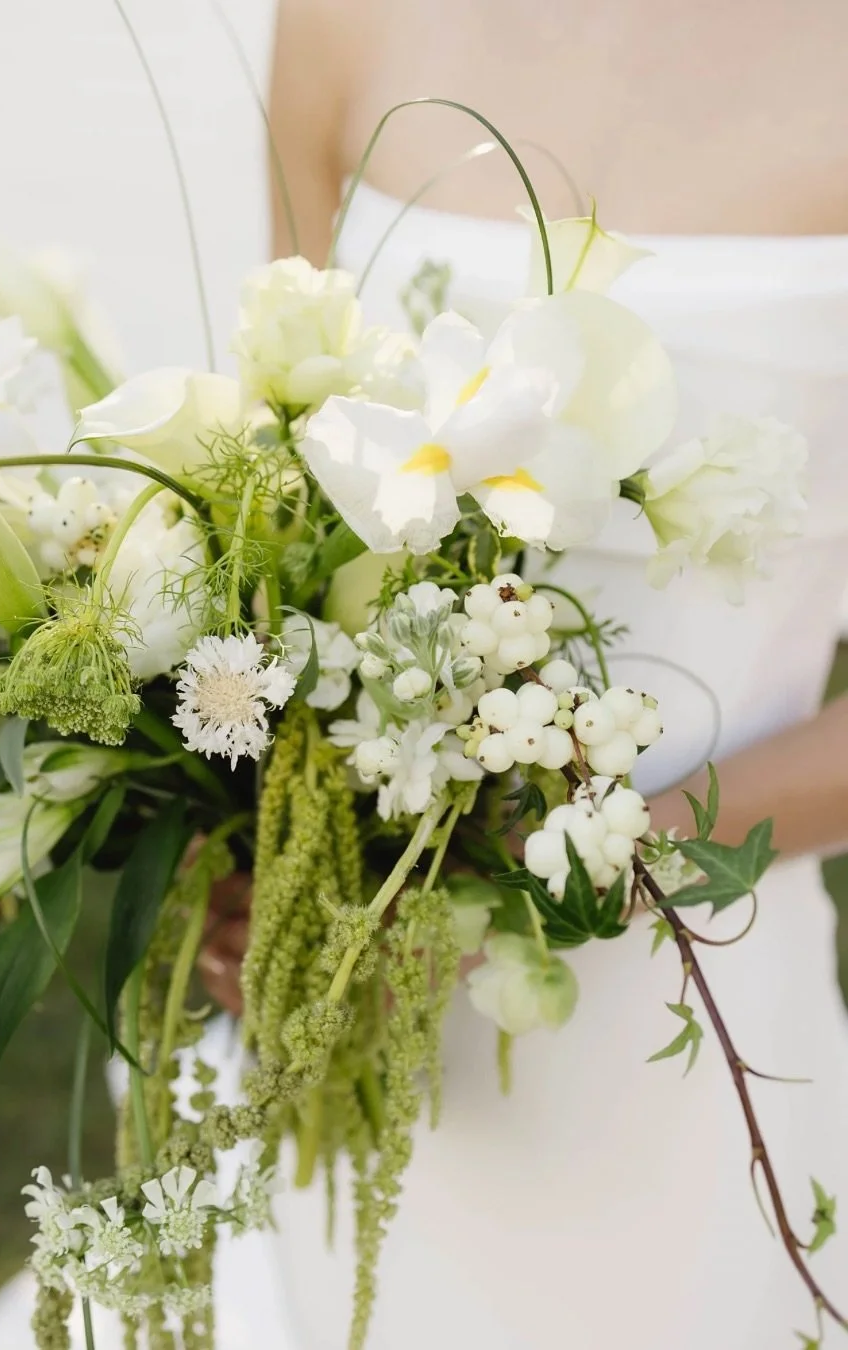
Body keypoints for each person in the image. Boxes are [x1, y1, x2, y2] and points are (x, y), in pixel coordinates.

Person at [202, 2, 848, 1348]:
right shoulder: (343, 18)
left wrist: (570, 874)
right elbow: (279, 471)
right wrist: (242, 836)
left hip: (689, 978)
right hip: (357, 954)